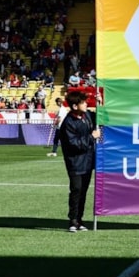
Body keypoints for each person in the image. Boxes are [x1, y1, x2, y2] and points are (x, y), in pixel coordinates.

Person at [58, 90, 100, 232]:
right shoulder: (68, 123)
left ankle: (79, 219)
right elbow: (74, 144)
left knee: (83, 191)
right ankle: (73, 220)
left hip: (88, 161)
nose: (86, 104)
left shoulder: (87, 115)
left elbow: (101, 117)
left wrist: (100, 103)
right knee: (76, 190)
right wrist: (92, 137)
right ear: (75, 106)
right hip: (75, 162)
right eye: (83, 102)